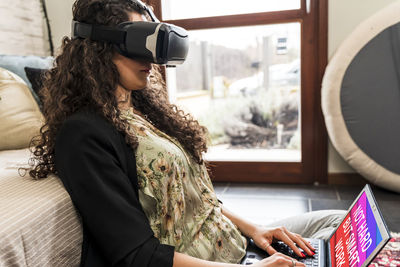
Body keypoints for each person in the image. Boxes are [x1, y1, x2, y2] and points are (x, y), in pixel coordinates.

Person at [27, 0, 346, 266]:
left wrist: (256, 229)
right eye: (139, 44)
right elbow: (135, 253)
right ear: (98, 47)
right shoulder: (83, 134)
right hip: (216, 262)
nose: (150, 60)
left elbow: (194, 200)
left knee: (341, 224)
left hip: (236, 243)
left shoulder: (141, 109)